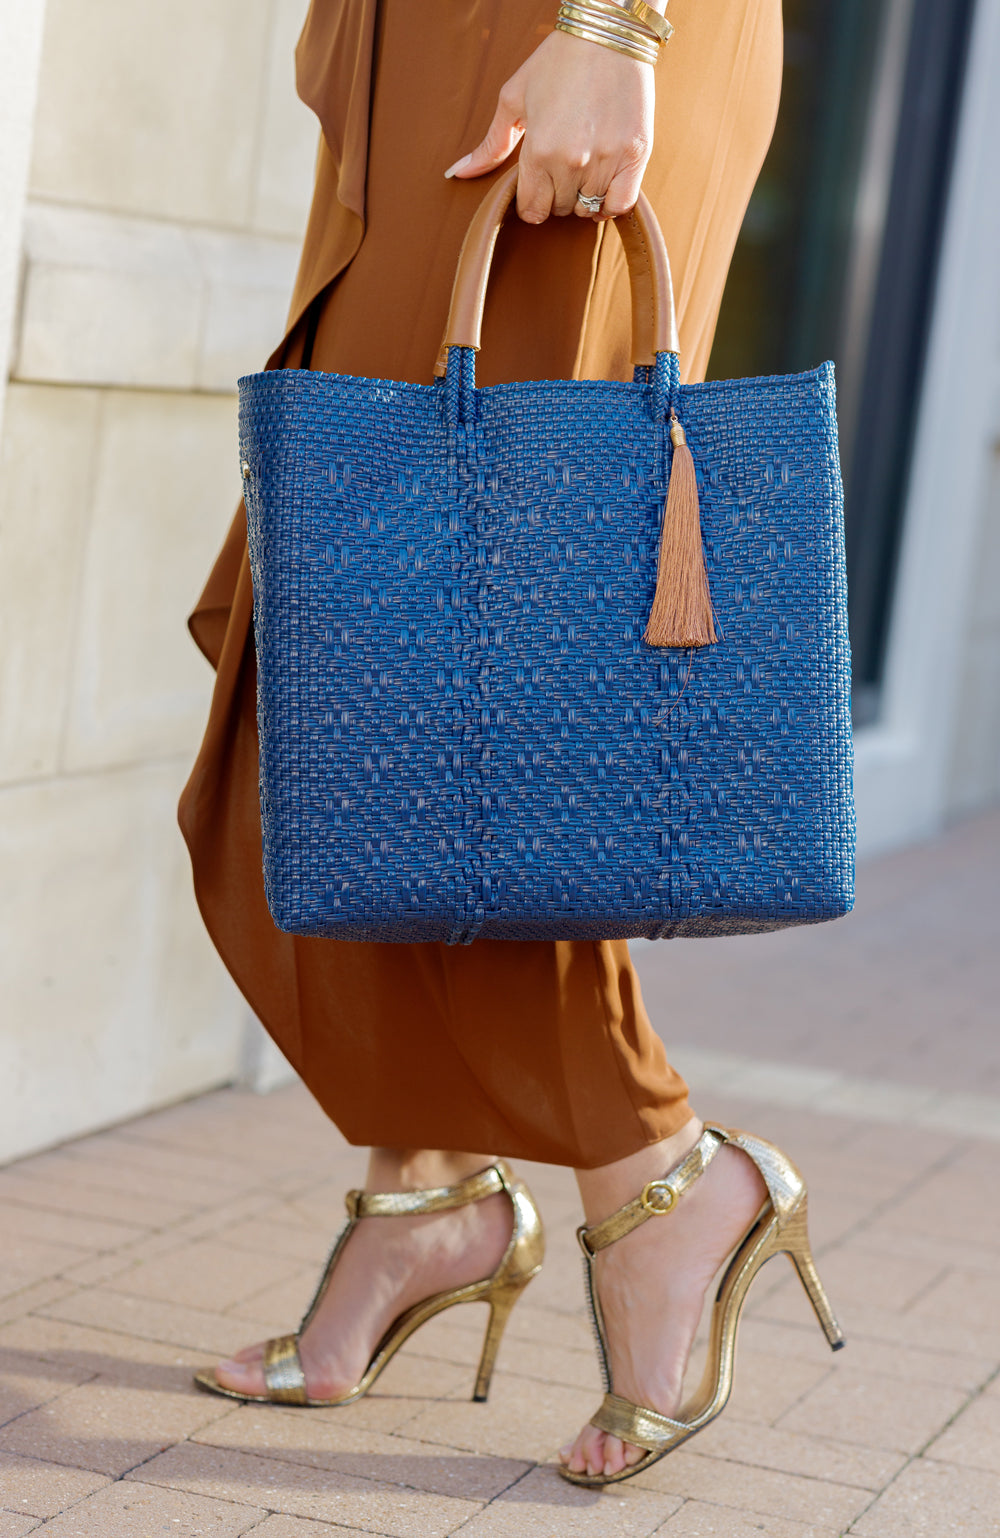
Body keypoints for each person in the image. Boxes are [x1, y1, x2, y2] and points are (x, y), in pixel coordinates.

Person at [180, 0, 840, 1487]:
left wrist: (615, 22)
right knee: (379, 662)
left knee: (477, 683)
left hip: (563, 32)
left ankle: (663, 1176)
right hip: (429, 50)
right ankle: (425, 1201)